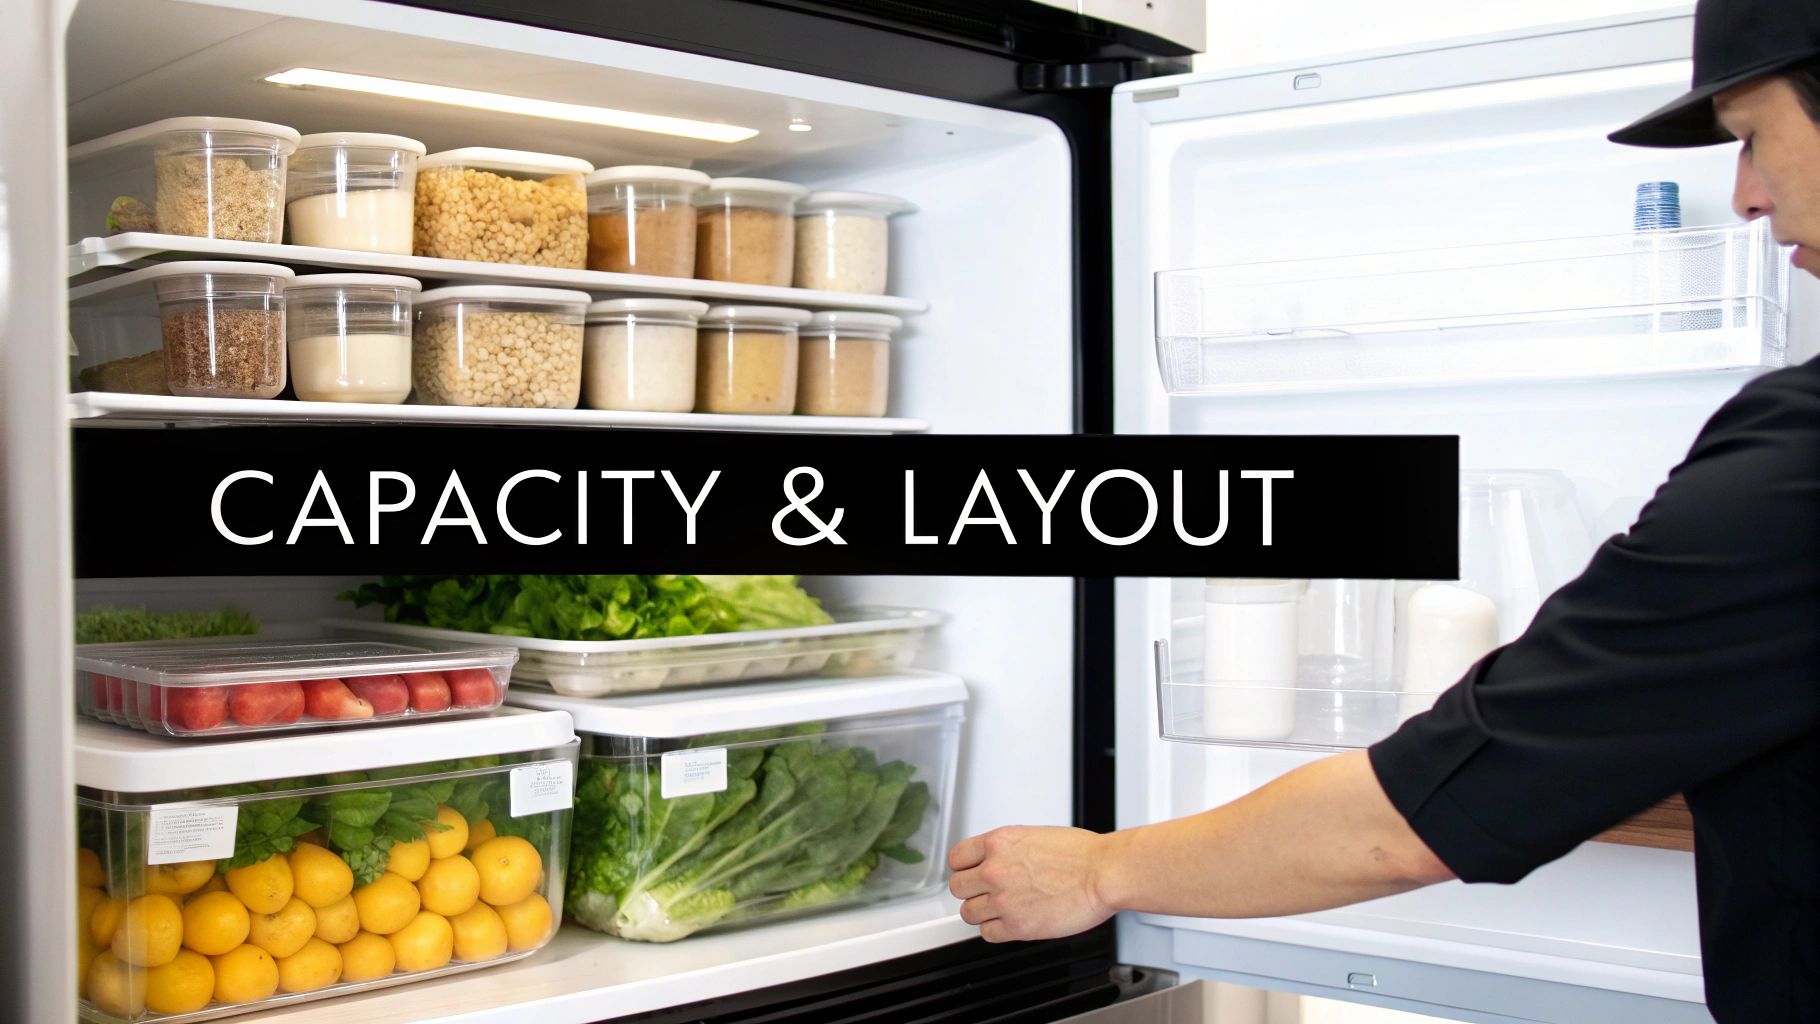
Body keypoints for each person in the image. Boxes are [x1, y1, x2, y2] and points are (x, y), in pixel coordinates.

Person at [945, 1, 1820, 1020]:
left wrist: (1102, 870)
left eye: (1750, 134)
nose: (1744, 194)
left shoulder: (1795, 466)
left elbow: (1423, 813)